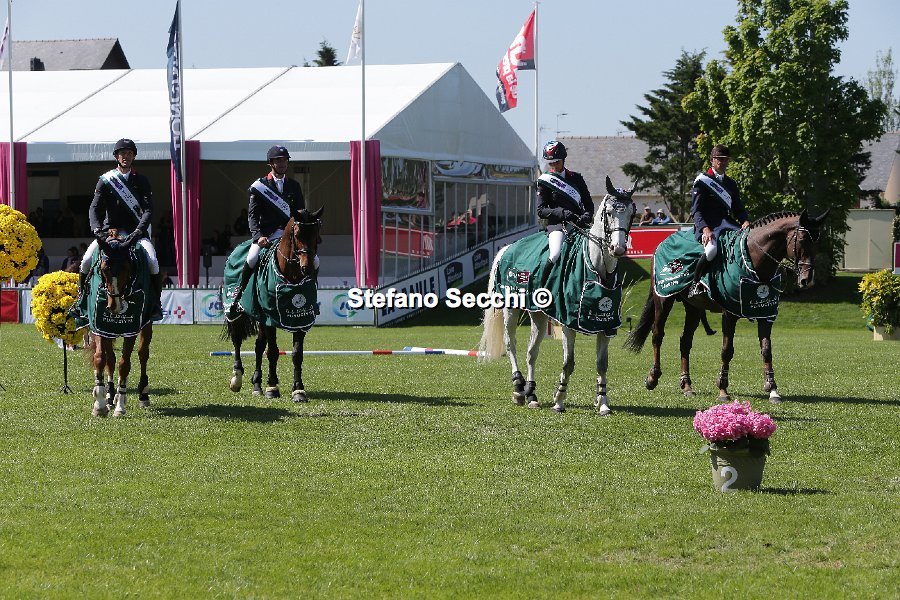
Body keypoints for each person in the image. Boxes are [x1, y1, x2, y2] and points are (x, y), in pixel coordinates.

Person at [78, 138, 162, 315]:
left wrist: (139, 231)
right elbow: (94, 208)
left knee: (153, 262)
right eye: (123, 153)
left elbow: (148, 210)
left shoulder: (142, 180)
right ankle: (81, 301)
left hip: (135, 232)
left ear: (133, 157)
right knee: (85, 261)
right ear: (116, 156)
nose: (126, 156)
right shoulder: (106, 180)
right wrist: (97, 230)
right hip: (110, 232)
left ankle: (156, 303)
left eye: (129, 153)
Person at [228, 145, 309, 316]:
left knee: (314, 260)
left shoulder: (294, 185)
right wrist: (258, 236)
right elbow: (252, 215)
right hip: (267, 235)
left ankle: (311, 297)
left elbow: (300, 212)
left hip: (290, 235)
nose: (282, 163)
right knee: (251, 258)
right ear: (271, 163)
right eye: (278, 161)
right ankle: (240, 295)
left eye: (285, 160)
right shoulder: (260, 186)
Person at [688, 144, 750, 297]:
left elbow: (738, 207)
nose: (723, 162)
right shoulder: (702, 181)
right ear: (712, 160)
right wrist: (705, 229)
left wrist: (745, 221)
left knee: (747, 242)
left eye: (726, 159)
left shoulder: (731, 183)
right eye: (720, 159)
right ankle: (696, 284)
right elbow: (696, 211)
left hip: (726, 222)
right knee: (711, 251)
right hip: (708, 225)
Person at [535, 140, 593, 286]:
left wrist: (587, 215)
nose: (554, 166)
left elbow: (588, 203)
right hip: (557, 225)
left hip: (579, 223)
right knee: (555, 254)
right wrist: (562, 213)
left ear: (563, 160)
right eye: (551, 163)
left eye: (557, 162)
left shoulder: (577, 178)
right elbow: (541, 210)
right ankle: (542, 288)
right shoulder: (545, 181)